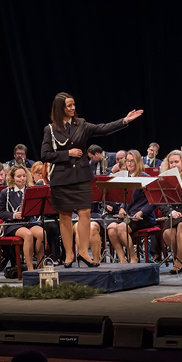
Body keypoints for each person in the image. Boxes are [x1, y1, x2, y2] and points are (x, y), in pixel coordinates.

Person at [41, 92, 143, 268]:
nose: (73, 108)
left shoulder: (82, 124)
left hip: (81, 176)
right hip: (61, 178)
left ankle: (83, 253)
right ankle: (69, 255)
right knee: (64, 216)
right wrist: (67, 154)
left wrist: (124, 120)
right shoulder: (50, 129)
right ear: (60, 109)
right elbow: (45, 155)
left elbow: (104, 128)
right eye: (69, 106)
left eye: (73, 105)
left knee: (85, 213)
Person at [107, 150, 156, 264]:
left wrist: (141, 212)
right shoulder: (127, 177)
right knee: (111, 229)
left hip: (144, 217)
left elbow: (153, 201)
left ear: (138, 162)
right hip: (129, 216)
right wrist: (122, 208)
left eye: (132, 161)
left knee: (120, 228)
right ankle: (123, 259)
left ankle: (133, 257)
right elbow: (126, 197)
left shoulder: (145, 177)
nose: (129, 163)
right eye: (127, 161)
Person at [0, 165, 44, 271]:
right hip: (12, 224)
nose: (22, 179)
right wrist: (13, 215)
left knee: (42, 234)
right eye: (18, 176)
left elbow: (37, 209)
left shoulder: (31, 190)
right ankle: (30, 268)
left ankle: (40, 264)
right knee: (28, 235)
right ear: (12, 178)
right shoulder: (5, 192)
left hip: (29, 221)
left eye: (23, 176)